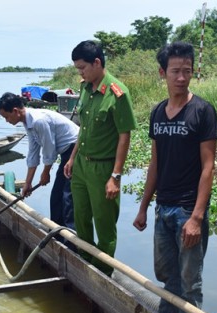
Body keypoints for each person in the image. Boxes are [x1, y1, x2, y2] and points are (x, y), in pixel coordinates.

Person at [132, 41, 217, 313]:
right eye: (175, 71)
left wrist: (196, 217)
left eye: (187, 71)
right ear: (162, 73)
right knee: (166, 274)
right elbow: (155, 163)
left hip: (187, 210)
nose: (182, 77)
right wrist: (144, 206)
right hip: (163, 208)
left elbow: (208, 167)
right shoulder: (158, 112)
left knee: (190, 281)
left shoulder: (203, 111)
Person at [63, 40, 137, 276]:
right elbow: (83, 128)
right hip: (82, 165)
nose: (80, 73)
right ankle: (85, 266)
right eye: (77, 69)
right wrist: (72, 158)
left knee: (104, 227)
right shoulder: (86, 88)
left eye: (82, 68)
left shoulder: (118, 93)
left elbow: (124, 137)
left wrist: (115, 176)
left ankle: (102, 276)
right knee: (81, 219)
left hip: (103, 169)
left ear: (97, 62)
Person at [0, 92, 79, 242]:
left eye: (6, 117)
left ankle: (71, 242)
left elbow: (49, 149)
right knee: (56, 197)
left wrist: (45, 173)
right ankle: (57, 235)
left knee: (68, 197)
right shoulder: (28, 123)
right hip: (65, 152)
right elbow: (33, 153)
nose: (7, 121)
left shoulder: (38, 121)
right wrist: (28, 182)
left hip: (75, 150)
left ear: (15, 111)